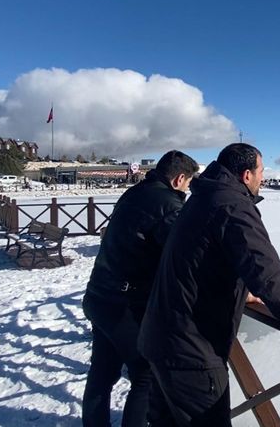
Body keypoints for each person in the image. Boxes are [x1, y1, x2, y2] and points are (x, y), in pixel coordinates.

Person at [138, 143, 280, 426]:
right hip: (191, 352)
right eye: (261, 171)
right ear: (246, 175)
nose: (263, 178)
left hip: (161, 338)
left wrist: (241, 292)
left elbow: (203, 259)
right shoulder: (232, 206)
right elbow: (267, 274)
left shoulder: (204, 197)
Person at [82, 150, 200, 427]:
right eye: (188, 183)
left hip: (100, 294)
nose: (187, 189)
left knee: (102, 373)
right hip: (125, 302)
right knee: (145, 374)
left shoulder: (133, 193)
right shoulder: (170, 205)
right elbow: (183, 256)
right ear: (179, 179)